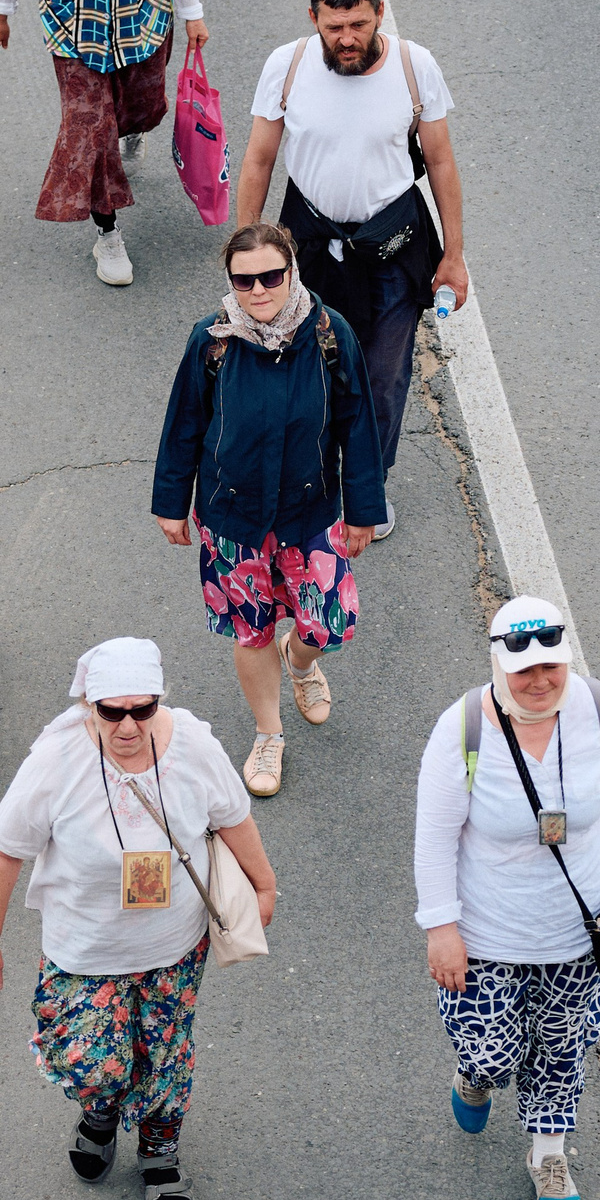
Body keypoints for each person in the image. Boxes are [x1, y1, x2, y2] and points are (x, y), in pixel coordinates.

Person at [0, 638, 275, 1200]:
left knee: (165, 1053)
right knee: (94, 1064)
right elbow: (5, 851)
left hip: (173, 946)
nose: (128, 726)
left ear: (158, 701)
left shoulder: (194, 745)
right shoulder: (56, 761)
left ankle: (159, 1152)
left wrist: (265, 886)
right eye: (112, 712)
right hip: (84, 950)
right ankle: (100, 1111)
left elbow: (233, 817)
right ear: (89, 705)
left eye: (142, 709)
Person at [412, 599, 600, 1200]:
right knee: (493, 1052)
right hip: (489, 929)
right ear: (498, 665)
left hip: (580, 929)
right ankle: (475, 1076)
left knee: (562, 1046)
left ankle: (548, 1155)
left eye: (550, 666)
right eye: (523, 670)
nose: (539, 681)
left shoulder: (599, 708)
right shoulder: (463, 727)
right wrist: (441, 928)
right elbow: (434, 838)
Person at [234, 0, 469, 540]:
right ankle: (312, 481)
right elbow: (260, 159)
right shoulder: (286, 66)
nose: (347, 39)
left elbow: (441, 162)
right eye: (334, 27)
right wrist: (247, 255)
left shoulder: (414, 66)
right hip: (308, 244)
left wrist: (454, 256)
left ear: (379, 14)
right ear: (313, 18)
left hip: (393, 246)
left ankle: (367, 486)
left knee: (382, 378)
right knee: (305, 371)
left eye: (359, 25)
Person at [152, 224, 384, 800]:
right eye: (244, 280)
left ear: (292, 272)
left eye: (270, 276)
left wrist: (363, 510)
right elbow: (184, 424)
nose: (258, 290)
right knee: (252, 631)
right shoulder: (212, 340)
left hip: (311, 512)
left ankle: (300, 663)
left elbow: (357, 424)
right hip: (233, 519)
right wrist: (171, 503)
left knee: (326, 623)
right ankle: (268, 734)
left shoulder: (330, 335)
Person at [0, 0, 207, 287]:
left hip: (142, 20)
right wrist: (0, 12)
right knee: (89, 131)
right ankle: (108, 233)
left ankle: (129, 130)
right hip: (73, 30)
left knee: (143, 107)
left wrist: (192, 12)